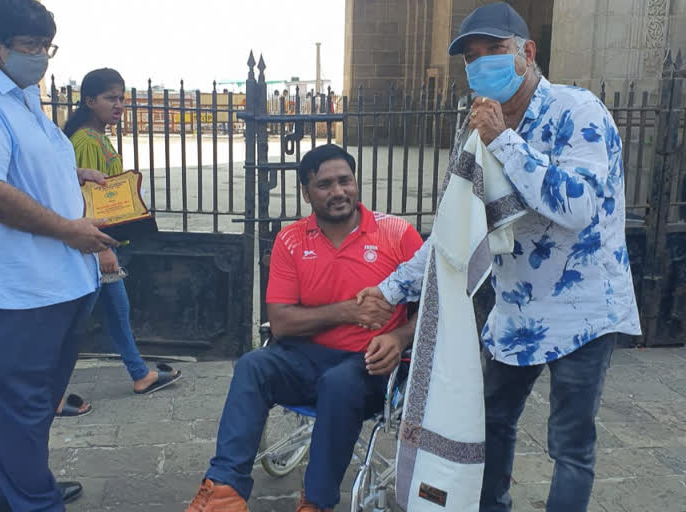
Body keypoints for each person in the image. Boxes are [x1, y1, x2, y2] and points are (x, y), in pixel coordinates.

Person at [359, 3, 641, 512]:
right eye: (472, 57)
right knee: (490, 422)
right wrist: (392, 287)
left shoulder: (578, 112)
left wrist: (506, 142)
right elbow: (455, 231)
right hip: (517, 312)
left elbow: (576, 206)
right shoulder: (480, 131)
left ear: (526, 53)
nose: (482, 63)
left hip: (583, 311)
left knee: (570, 445)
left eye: (495, 51)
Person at [0, 0, 118, 510]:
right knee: (18, 412)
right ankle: (35, 499)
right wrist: (68, 230)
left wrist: (70, 178)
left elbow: (16, 168)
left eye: (47, 47)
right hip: (2, 296)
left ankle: (15, 494)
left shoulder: (21, 95)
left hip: (53, 286)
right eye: (32, 48)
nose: (43, 59)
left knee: (23, 416)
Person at [185, 144, 423, 512]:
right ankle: (224, 492)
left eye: (345, 180)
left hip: (369, 365)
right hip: (306, 358)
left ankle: (316, 502)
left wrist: (398, 336)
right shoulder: (292, 239)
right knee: (252, 365)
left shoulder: (397, 233)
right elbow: (280, 323)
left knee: (338, 383)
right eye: (325, 184)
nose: (338, 191)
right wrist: (346, 311)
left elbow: (436, 309)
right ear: (305, 192)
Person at [63, 68, 181, 395]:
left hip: (102, 243)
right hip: (95, 244)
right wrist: (102, 248)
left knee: (116, 310)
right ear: (89, 101)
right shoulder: (87, 142)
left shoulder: (96, 138)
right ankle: (45, 388)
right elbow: (89, 202)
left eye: (121, 98)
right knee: (73, 322)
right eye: (110, 98)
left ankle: (139, 373)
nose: (119, 105)